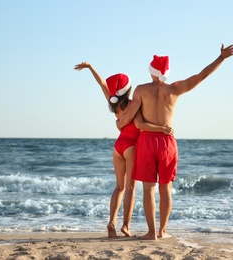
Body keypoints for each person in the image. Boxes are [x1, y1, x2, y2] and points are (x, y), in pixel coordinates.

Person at [116, 44, 233, 240]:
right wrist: (221, 58)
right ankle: (163, 231)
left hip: (147, 141)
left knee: (148, 189)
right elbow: (201, 76)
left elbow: (130, 117)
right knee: (166, 189)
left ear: (152, 71)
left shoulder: (141, 90)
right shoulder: (175, 88)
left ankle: (150, 232)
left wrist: (119, 123)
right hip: (167, 142)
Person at [74, 62, 174, 238]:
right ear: (128, 90)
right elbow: (139, 124)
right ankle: (126, 226)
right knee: (130, 188)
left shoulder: (113, 104)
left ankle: (112, 222)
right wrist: (163, 129)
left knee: (119, 187)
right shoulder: (133, 105)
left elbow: (102, 84)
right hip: (132, 148)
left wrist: (90, 67)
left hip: (118, 146)